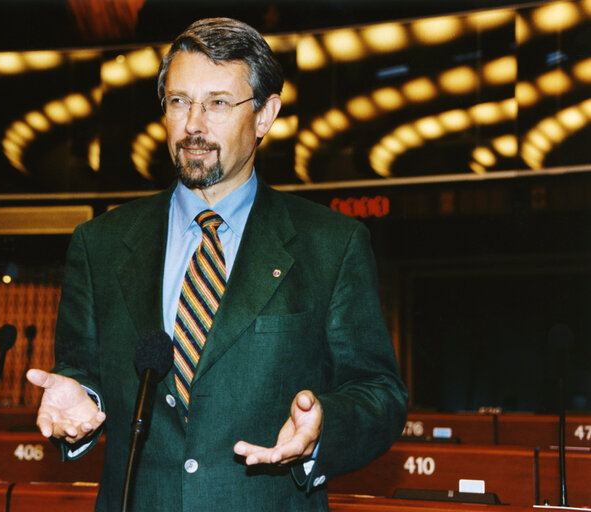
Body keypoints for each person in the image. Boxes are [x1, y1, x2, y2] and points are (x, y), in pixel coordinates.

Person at [27, 17, 408, 511]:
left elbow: (379, 392)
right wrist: (83, 401)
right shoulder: (99, 243)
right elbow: (82, 376)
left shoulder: (331, 245)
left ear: (266, 115)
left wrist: (322, 427)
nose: (194, 125)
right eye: (179, 101)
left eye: (218, 103)